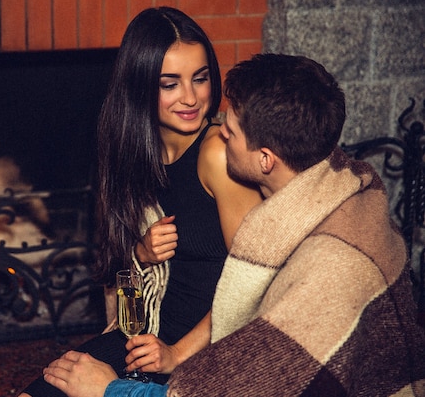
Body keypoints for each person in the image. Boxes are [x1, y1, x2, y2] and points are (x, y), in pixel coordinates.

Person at [41, 53, 425, 396]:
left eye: (231, 131)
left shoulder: (322, 271)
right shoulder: (339, 192)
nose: (218, 131)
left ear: (265, 159)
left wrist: (109, 390)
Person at [18, 7, 262, 397]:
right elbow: (126, 296)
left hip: (202, 352)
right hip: (142, 340)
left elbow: (252, 281)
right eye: (170, 84)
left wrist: (177, 354)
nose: (191, 97)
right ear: (139, 87)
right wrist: (140, 256)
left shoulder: (217, 153)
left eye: (200, 79)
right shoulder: (130, 157)